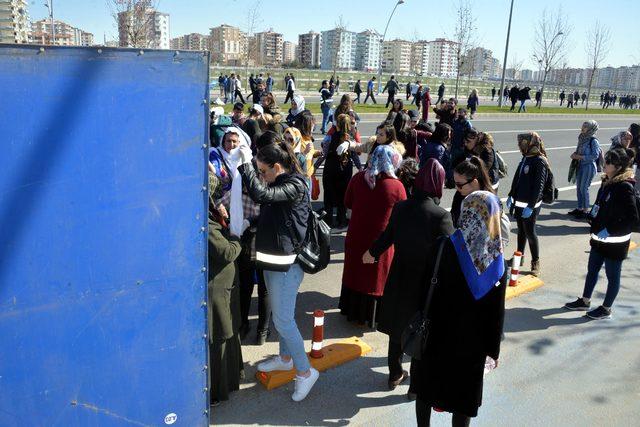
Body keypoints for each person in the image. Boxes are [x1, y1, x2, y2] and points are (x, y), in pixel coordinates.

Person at [413, 190, 507, 427]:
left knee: (426, 391)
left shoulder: (442, 246)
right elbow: (496, 316)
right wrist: (492, 351)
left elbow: (423, 289)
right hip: (470, 348)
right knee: (462, 402)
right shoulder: (494, 264)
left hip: (434, 336)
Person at [237, 141, 319, 402]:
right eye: (258, 171)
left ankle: (305, 372)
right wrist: (250, 221)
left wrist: (246, 165)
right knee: (282, 315)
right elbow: (272, 212)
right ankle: (285, 358)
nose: (261, 176)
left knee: (283, 320)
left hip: (288, 265)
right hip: (274, 261)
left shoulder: (295, 184)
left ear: (276, 167)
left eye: (263, 171)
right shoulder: (278, 182)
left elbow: (262, 195)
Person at [365, 159, 454, 397]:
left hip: (398, 274)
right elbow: (451, 252)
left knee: (397, 326)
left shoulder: (401, 207)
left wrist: (371, 253)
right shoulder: (440, 216)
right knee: (419, 330)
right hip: (425, 282)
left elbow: (387, 237)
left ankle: (394, 373)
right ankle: (415, 387)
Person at [564, 148, 639, 319]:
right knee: (592, 271)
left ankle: (606, 308)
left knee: (613, 276)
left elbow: (632, 218)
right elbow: (601, 205)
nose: (605, 164)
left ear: (618, 166)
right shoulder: (607, 182)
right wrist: (592, 217)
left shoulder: (625, 187)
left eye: (608, 162)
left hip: (615, 243)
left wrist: (610, 230)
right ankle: (585, 300)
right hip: (598, 239)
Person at [339, 145, 406, 327]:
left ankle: (351, 311)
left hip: (356, 234)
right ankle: (370, 317)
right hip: (380, 241)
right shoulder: (397, 186)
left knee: (355, 272)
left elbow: (348, 202)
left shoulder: (358, 178)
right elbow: (402, 214)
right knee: (375, 278)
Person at [207, 174, 244, 406]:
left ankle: (231, 380)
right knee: (221, 336)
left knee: (229, 332)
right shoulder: (207, 224)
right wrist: (236, 238)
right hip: (217, 291)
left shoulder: (211, 217)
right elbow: (226, 253)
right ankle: (217, 392)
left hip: (225, 287)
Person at [507, 132, 548, 277]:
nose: (520, 145)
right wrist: (511, 195)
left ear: (531, 143)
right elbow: (517, 179)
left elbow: (539, 186)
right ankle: (519, 257)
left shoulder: (539, 161)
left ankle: (535, 262)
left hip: (531, 205)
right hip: (519, 202)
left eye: (522, 142)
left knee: (530, 232)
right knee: (521, 231)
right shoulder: (525, 158)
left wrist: (531, 206)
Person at [322, 114, 355, 228]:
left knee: (329, 195)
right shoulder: (350, 138)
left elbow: (325, 152)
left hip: (331, 167)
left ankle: (328, 220)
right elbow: (355, 154)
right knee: (343, 195)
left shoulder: (331, 136)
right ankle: (341, 220)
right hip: (345, 169)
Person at [568, 121, 602, 219]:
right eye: (583, 125)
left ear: (591, 128)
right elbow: (579, 150)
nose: (583, 128)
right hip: (580, 165)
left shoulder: (593, 140)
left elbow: (595, 155)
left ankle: (585, 211)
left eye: (586, 126)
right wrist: (575, 154)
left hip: (589, 167)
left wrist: (579, 157)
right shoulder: (582, 137)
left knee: (584, 188)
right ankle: (579, 208)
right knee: (579, 188)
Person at [450, 157, 496, 226]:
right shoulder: (459, 195)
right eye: (455, 183)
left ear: (474, 182)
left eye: (459, 184)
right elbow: (453, 218)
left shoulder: (489, 202)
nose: (456, 187)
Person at [628, 123, 640, 190]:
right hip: (634, 165)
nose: (628, 129)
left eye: (630, 128)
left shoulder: (634, 140)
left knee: (636, 189)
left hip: (636, 166)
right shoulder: (633, 139)